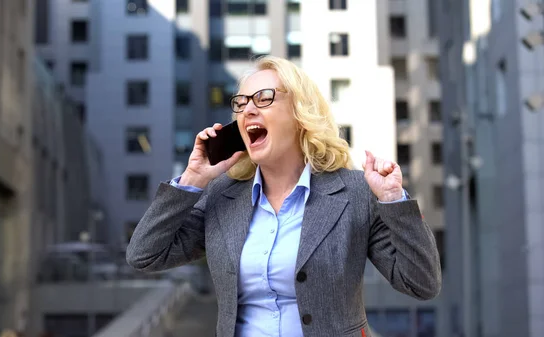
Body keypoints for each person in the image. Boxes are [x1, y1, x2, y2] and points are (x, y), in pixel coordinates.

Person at [126, 56, 441, 337]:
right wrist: (193, 179)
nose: (248, 109)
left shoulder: (354, 192)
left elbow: (422, 283)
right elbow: (144, 255)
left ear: (300, 113)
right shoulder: (223, 195)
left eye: (263, 98)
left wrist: (394, 201)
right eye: (241, 102)